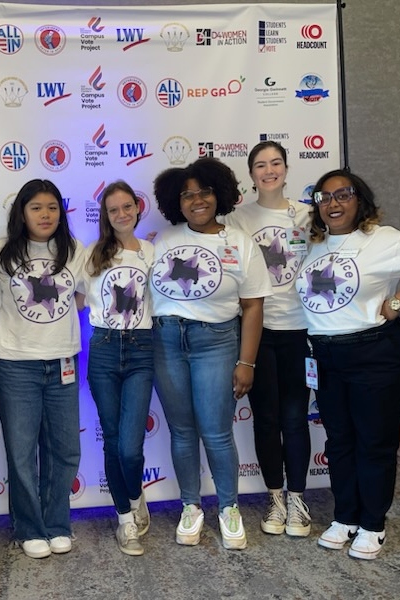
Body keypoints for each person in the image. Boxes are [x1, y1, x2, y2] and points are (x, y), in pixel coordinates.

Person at [295, 169, 400, 560]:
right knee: (340, 442)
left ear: (359, 199)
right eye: (325, 197)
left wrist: (399, 302)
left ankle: (373, 523)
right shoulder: (314, 244)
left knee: (374, 442)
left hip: (375, 355)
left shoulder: (382, 239)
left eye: (343, 194)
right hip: (326, 355)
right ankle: (346, 516)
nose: (333, 203)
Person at [150, 157, 272, 550]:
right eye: (187, 195)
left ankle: (229, 507)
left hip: (216, 342)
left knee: (217, 433)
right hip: (167, 341)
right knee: (182, 431)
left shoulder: (239, 242)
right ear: (176, 202)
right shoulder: (164, 240)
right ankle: (191, 506)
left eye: (203, 192)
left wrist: (246, 361)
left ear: (218, 194)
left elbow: (253, 306)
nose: (196, 200)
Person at [0, 179, 86, 559]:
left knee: (65, 450)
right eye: (36, 207)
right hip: (16, 365)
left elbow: (79, 299)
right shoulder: (2, 252)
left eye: (53, 207)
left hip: (63, 360)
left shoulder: (72, 250)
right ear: (22, 212)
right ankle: (29, 528)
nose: (45, 215)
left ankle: (58, 523)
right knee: (22, 453)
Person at [221, 141, 314, 538]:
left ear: (287, 169)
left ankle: (297, 499)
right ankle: (274, 497)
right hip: (257, 333)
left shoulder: (309, 215)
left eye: (276, 163)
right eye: (261, 165)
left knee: (295, 418)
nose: (269, 170)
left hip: (300, 331)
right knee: (267, 419)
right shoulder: (238, 219)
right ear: (251, 173)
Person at [82, 180, 155, 556]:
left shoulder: (152, 252)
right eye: (114, 210)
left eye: (128, 207)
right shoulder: (92, 254)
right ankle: (125, 519)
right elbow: (72, 298)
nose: (122, 214)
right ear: (106, 216)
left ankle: (135, 490)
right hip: (104, 349)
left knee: (130, 447)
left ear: (137, 208)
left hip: (143, 350)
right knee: (112, 439)